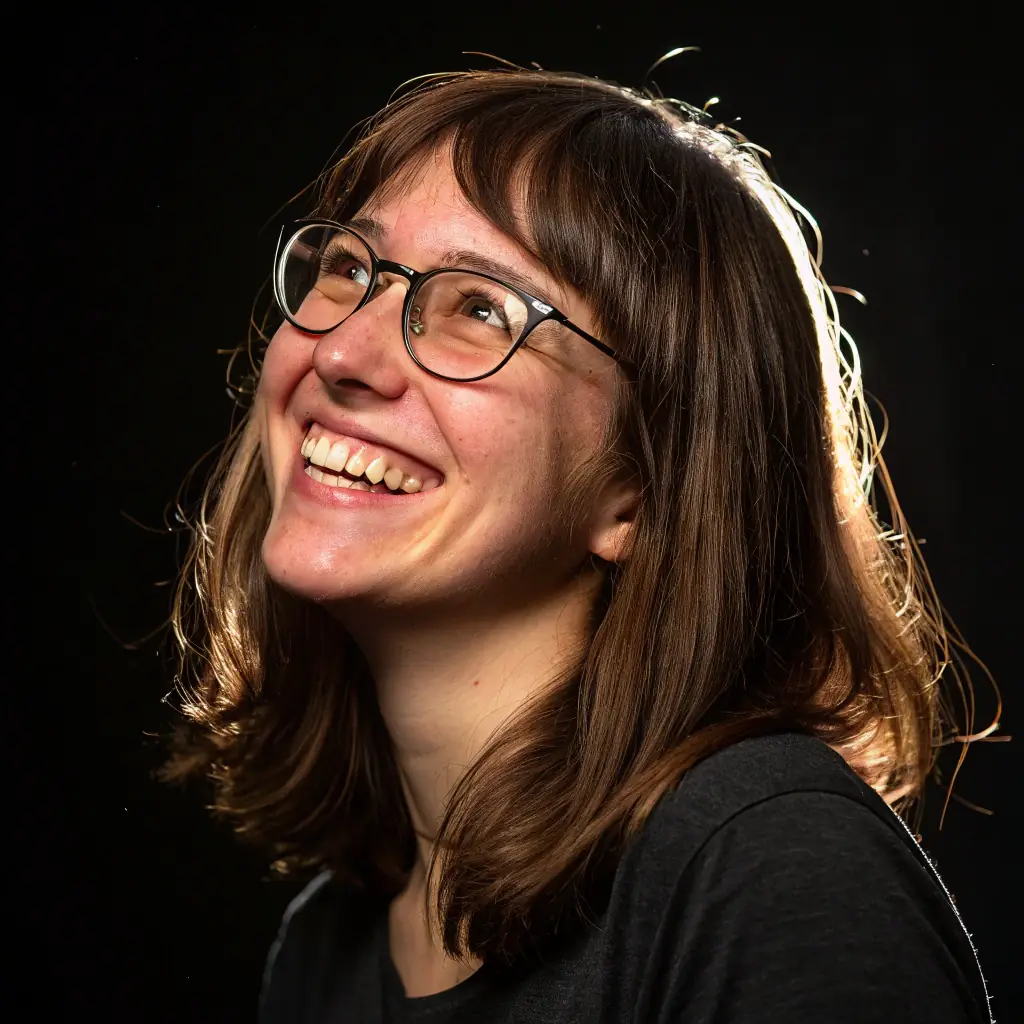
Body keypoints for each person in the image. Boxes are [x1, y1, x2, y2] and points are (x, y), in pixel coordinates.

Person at [165, 66, 995, 1022]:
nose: (344, 354)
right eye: (351, 268)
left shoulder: (774, 870)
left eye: (480, 309)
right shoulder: (323, 956)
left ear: (640, 492)